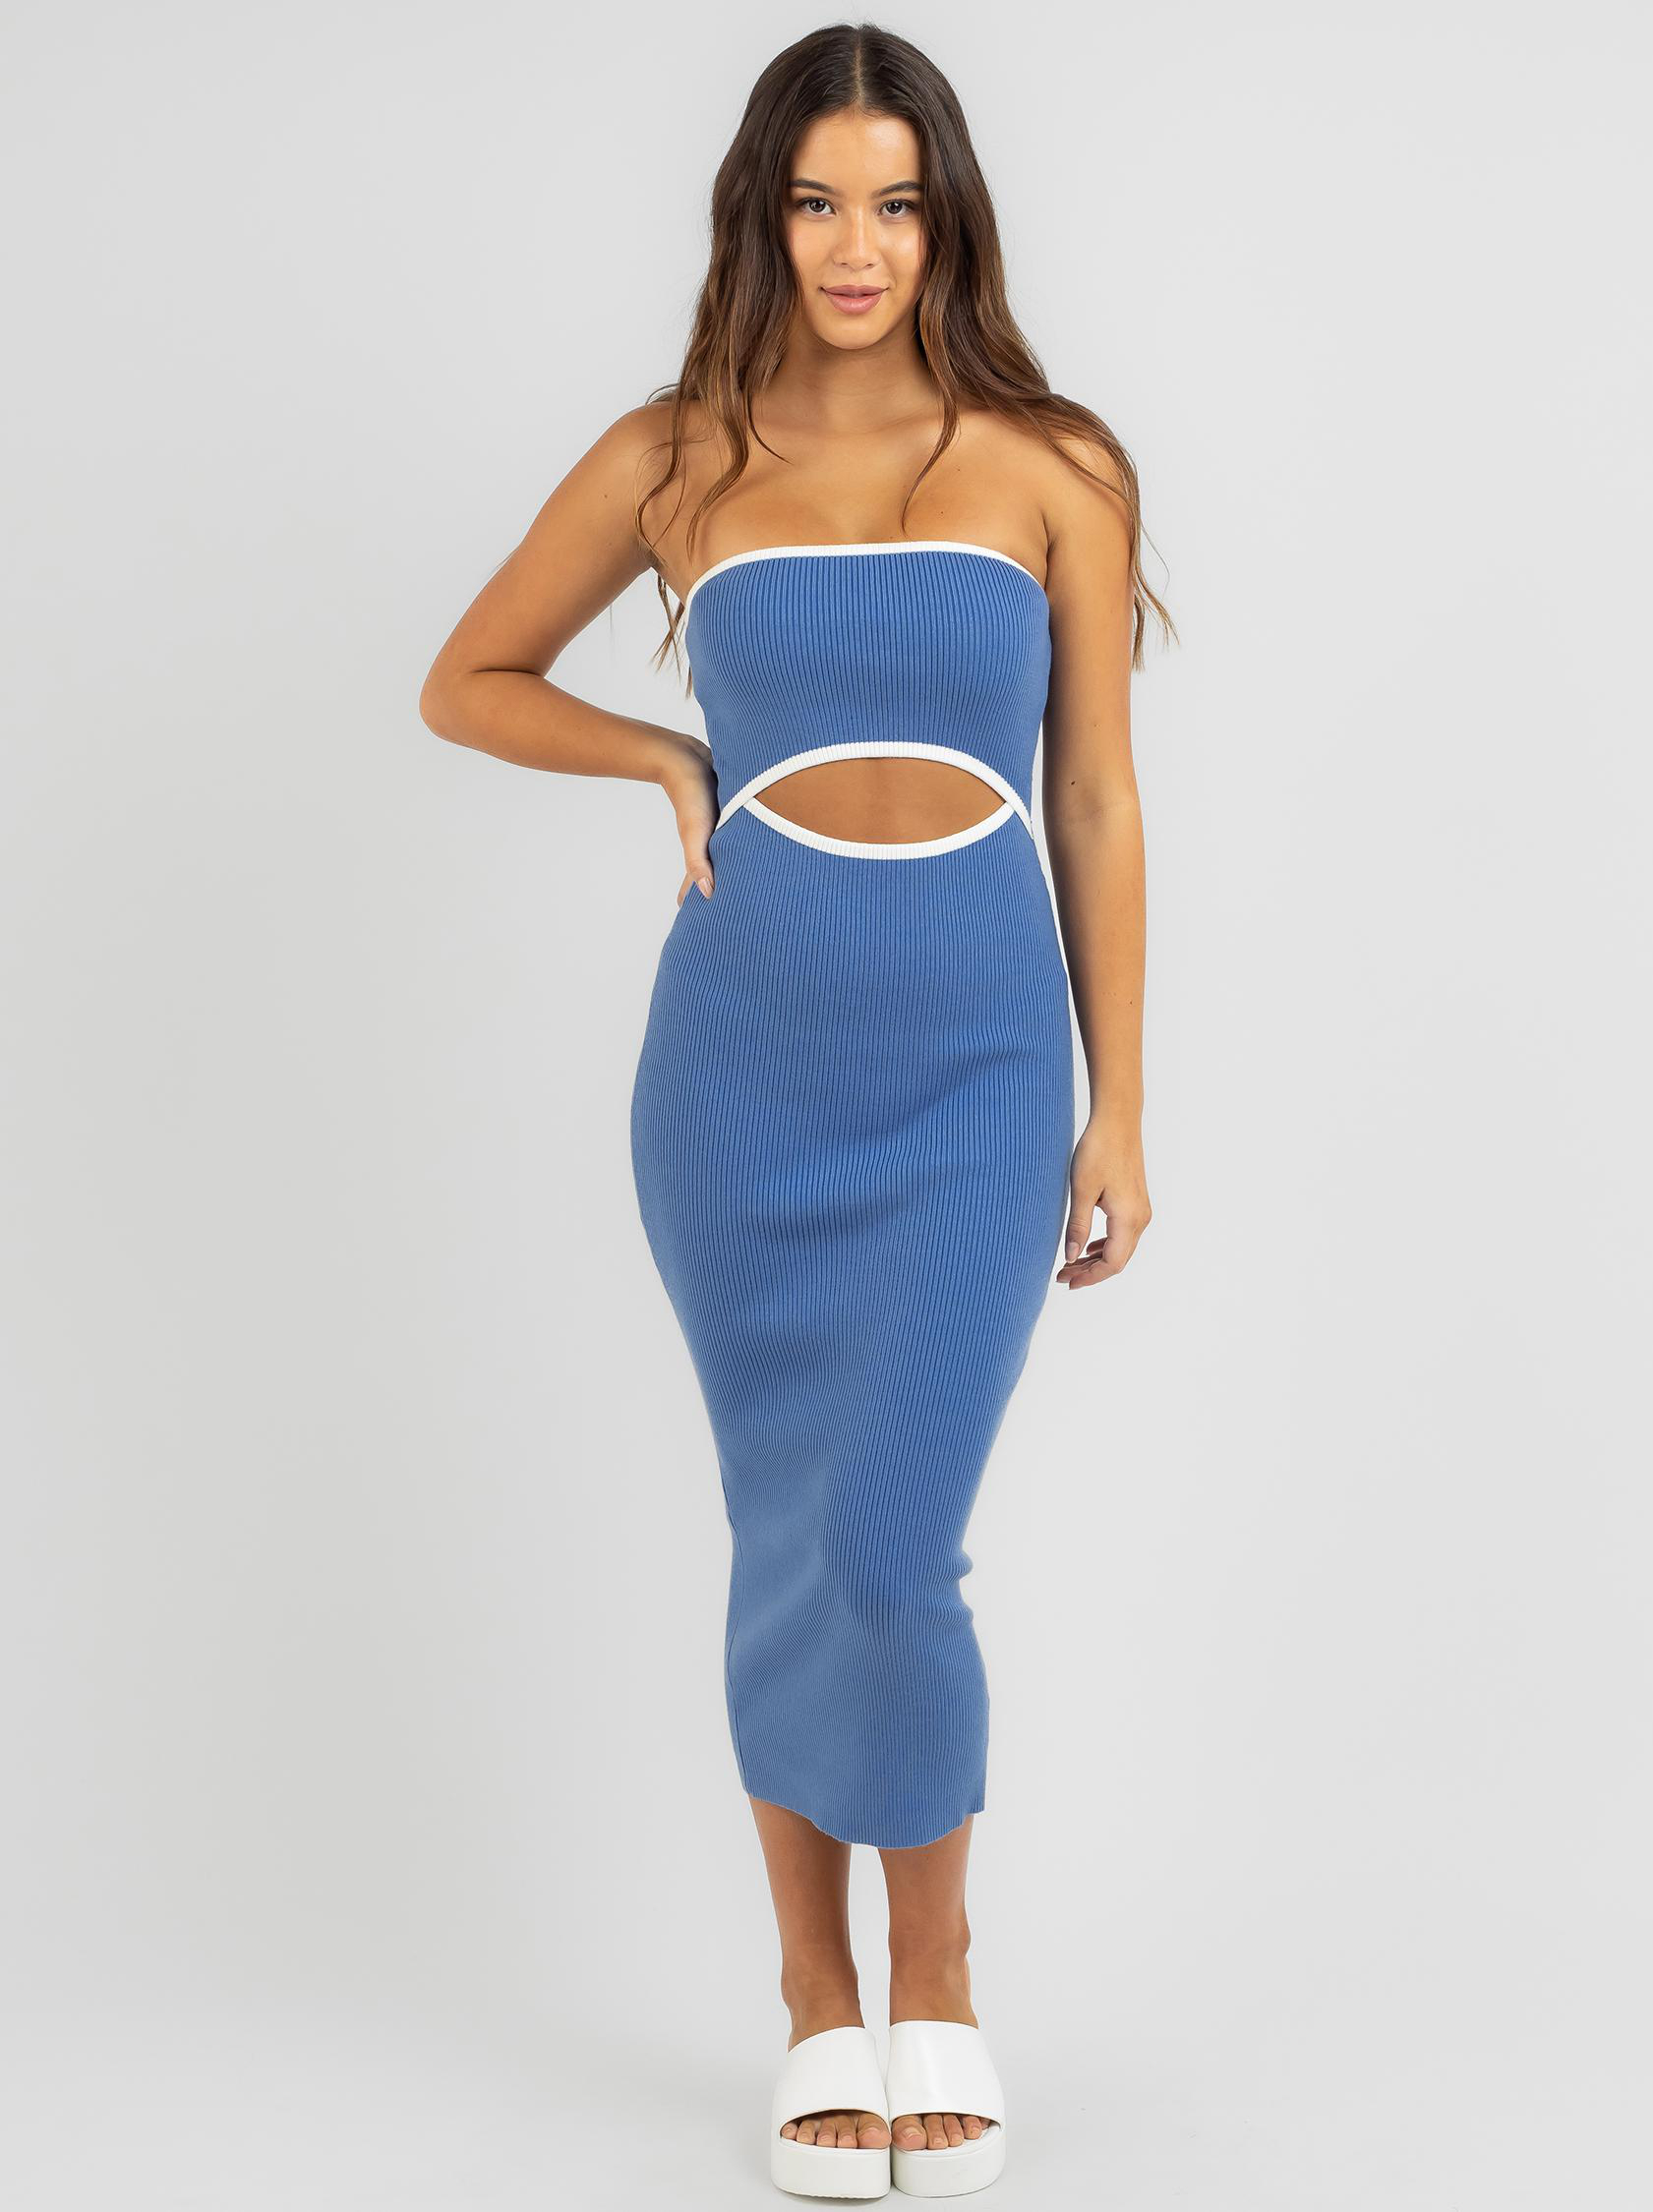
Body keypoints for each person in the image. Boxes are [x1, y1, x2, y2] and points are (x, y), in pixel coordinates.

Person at [420, 24, 1166, 2199]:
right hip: (743, 1061)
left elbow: (1097, 799)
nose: (856, 246)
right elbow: (468, 678)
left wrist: (1123, 1105)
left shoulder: (1051, 464)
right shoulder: (678, 454)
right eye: (819, 201)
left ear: (949, 221)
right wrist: (662, 757)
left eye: (896, 203)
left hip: (982, 1060)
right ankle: (813, 1998)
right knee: (786, 1530)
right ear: (762, 212)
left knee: (887, 1539)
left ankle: (941, 1970)